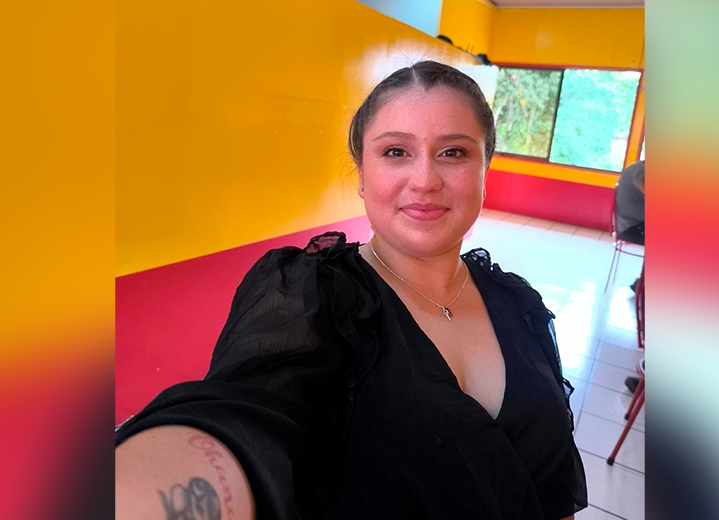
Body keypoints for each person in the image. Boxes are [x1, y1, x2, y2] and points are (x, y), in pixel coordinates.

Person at [116, 61, 587, 520]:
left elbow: (552, 483)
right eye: (395, 152)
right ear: (361, 174)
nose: (425, 180)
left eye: (453, 153)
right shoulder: (312, 296)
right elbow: (242, 412)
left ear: (486, 170)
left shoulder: (519, 303)